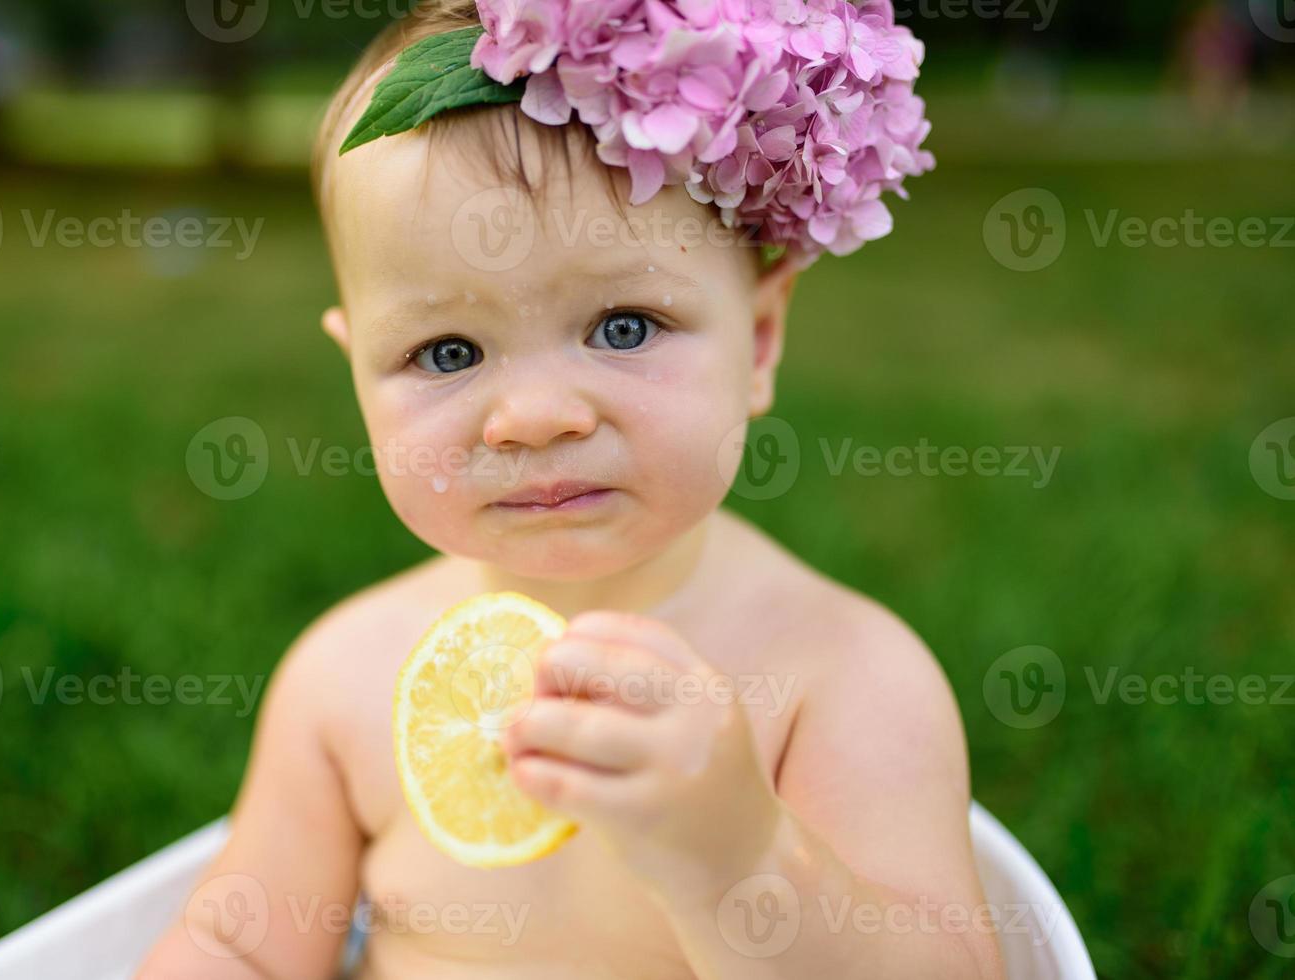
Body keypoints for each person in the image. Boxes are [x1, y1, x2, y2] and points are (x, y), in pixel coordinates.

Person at [139, 0, 1003, 976]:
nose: (537, 415)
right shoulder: (341, 680)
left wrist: (739, 858)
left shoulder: (841, 681)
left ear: (758, 340)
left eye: (623, 326)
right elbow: (239, 945)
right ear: (355, 371)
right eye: (447, 350)